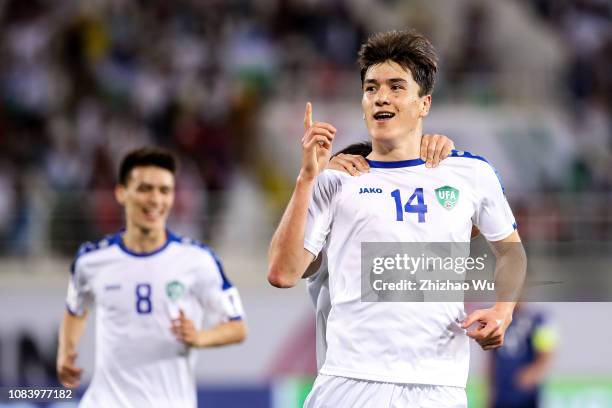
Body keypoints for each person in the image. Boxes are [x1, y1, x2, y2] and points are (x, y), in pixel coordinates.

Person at [267, 29, 526, 407]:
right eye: (371, 88)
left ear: (424, 104)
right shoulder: (337, 180)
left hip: (439, 385)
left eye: (395, 86)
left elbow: (511, 251)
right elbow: (282, 273)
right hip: (351, 381)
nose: (381, 97)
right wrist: (306, 179)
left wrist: (504, 310)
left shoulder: (470, 173)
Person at [56, 147, 247, 408]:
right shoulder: (90, 261)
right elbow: (75, 309)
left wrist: (199, 338)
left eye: (165, 190)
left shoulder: (198, 260)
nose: (156, 199)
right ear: (122, 192)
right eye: (145, 189)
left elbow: (237, 327)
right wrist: (66, 352)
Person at [308, 136, 457, 371]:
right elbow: (292, 268)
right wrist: (310, 182)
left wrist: (448, 162)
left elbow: (470, 225)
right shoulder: (327, 250)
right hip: (345, 393)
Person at [487, 303, 558, 408]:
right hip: (502, 390)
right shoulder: (496, 319)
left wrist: (533, 373)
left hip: (525, 393)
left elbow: (546, 354)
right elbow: (491, 358)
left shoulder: (538, 318)